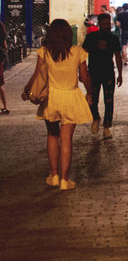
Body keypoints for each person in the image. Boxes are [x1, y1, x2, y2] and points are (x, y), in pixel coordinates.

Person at [25, 19, 92, 190]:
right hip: (71, 97)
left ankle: (54, 175)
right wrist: (90, 92)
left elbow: (37, 74)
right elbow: (84, 77)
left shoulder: (45, 52)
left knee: (52, 135)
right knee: (66, 139)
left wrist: (28, 88)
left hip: (51, 98)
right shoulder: (78, 52)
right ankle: (65, 180)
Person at [81, 13, 123, 138]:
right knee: (92, 99)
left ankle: (107, 126)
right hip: (93, 72)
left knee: (109, 100)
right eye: (104, 24)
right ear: (99, 24)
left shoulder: (113, 38)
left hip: (108, 72)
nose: (106, 26)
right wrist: (82, 72)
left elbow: (118, 56)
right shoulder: (91, 37)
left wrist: (120, 74)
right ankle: (96, 118)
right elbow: (83, 55)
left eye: (108, 24)